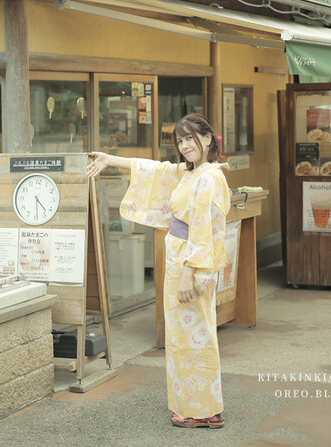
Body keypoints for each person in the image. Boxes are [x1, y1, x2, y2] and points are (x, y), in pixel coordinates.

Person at [86, 113, 230, 429]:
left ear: (207, 138)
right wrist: (111, 159)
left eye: (190, 138)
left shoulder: (208, 177)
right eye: (180, 140)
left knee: (196, 336)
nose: (184, 145)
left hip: (192, 262)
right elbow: (156, 169)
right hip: (183, 259)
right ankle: (197, 406)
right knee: (184, 335)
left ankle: (204, 410)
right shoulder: (192, 173)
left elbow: (204, 229)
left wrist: (189, 273)